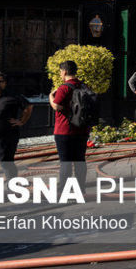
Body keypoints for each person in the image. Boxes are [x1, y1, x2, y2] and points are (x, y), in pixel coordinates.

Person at [49, 60, 91, 190]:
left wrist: (50, 96)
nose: (60, 74)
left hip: (64, 130)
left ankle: (64, 190)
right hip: (82, 129)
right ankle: (80, 188)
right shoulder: (84, 86)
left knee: (65, 162)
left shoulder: (64, 88)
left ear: (64, 71)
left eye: (60, 72)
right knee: (80, 160)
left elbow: (56, 105)